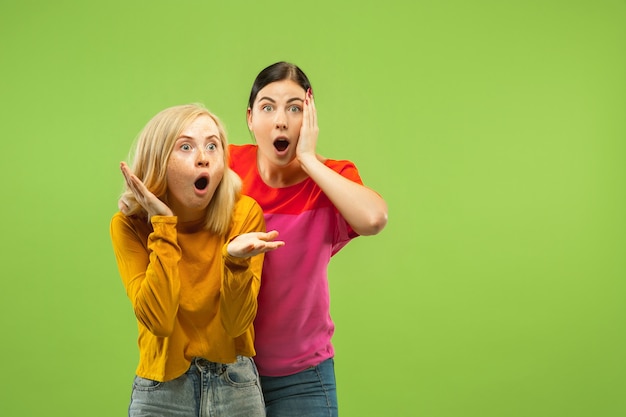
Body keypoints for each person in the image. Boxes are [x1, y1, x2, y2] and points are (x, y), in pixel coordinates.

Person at [228, 62, 388, 417]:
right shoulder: (225, 166)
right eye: (268, 107)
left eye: (295, 108)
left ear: (310, 118)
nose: (281, 120)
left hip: (303, 377)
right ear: (250, 118)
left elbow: (374, 219)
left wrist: (308, 160)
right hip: (227, 371)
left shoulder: (332, 178)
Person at [111, 103, 284, 417]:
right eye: (186, 146)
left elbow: (236, 325)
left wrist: (234, 262)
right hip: (161, 392)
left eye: (212, 145)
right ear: (157, 160)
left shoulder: (244, 215)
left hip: (235, 384)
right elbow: (159, 321)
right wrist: (163, 226)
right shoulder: (129, 225)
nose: (203, 156)